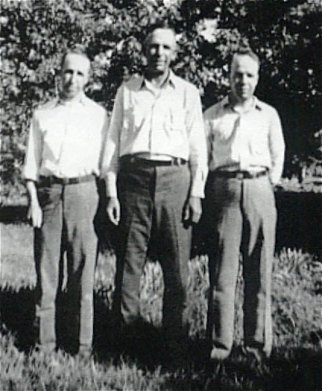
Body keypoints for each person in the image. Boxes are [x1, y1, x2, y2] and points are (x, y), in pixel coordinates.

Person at [102, 24, 208, 362]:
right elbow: (113, 141)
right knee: (129, 264)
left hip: (176, 179)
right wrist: (110, 191)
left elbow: (197, 147)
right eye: (152, 47)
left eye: (165, 47)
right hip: (133, 180)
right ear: (143, 51)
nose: (158, 53)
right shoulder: (127, 91)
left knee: (177, 267)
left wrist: (196, 193)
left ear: (175, 53)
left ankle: (174, 344)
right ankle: (126, 342)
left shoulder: (188, 93)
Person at [23, 47, 108, 357]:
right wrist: (33, 201)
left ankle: (81, 347)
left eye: (79, 73)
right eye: (67, 72)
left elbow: (107, 164)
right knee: (47, 274)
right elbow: (31, 164)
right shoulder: (41, 113)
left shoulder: (99, 116)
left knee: (82, 273)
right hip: (48, 196)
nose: (72, 79)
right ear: (58, 74)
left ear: (88, 79)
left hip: (85, 193)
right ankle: (45, 346)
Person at [203, 45, 285, 362]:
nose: (243, 81)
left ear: (257, 78)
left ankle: (256, 344)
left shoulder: (269, 115)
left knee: (259, 269)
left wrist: (267, 184)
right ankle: (220, 346)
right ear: (229, 76)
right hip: (223, 190)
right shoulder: (212, 115)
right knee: (222, 271)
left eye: (249, 75)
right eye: (238, 74)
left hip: (259, 188)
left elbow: (278, 154)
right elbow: (205, 158)